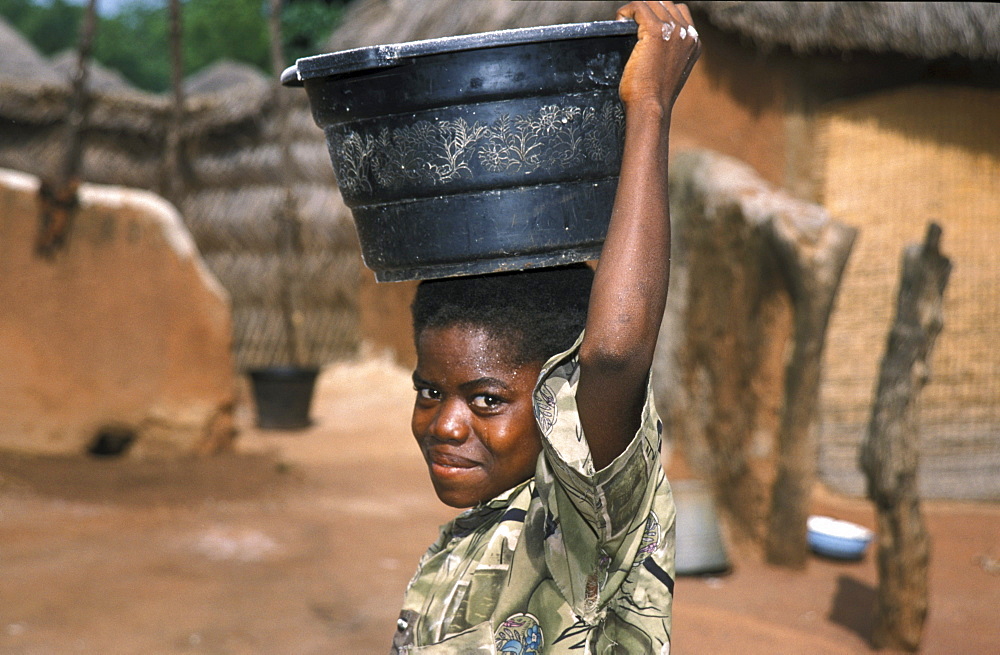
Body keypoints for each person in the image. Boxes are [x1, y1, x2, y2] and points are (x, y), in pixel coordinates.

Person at [392, 2, 700, 652]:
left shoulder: (583, 519)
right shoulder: (464, 542)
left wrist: (648, 106)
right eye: (429, 391)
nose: (445, 424)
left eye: (486, 399)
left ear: (558, 400)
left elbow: (614, 352)